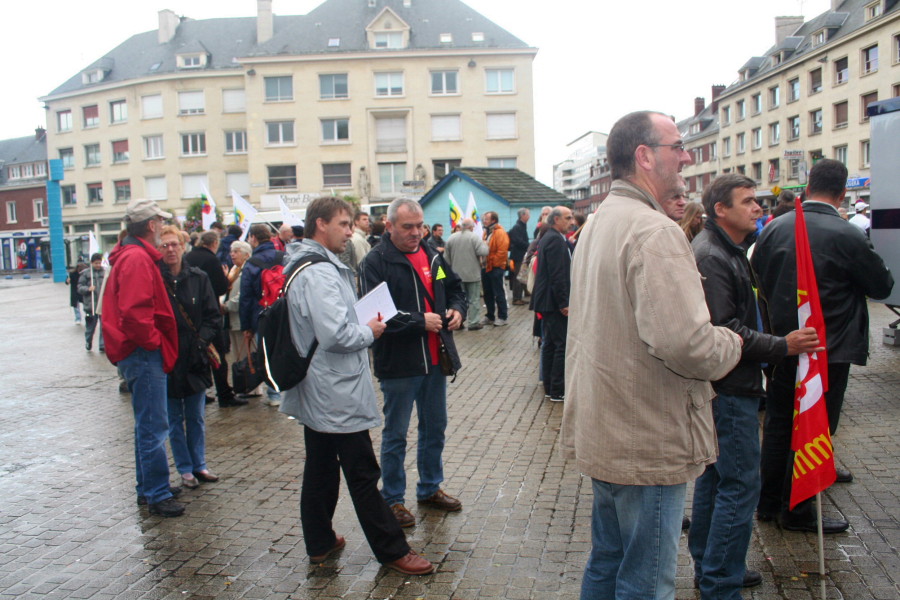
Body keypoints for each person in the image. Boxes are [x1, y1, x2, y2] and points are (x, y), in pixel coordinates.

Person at [561, 111, 743, 600]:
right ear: (644, 156)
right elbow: (687, 344)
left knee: (609, 560)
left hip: (608, 426)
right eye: (677, 146)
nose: (686, 156)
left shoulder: (600, 221)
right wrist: (735, 343)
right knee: (646, 579)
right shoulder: (654, 231)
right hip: (646, 435)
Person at [280, 196, 434, 575]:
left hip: (323, 385)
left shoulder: (313, 264)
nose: (351, 232)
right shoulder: (317, 272)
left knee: (320, 467)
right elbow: (336, 334)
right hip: (333, 389)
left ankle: (319, 541)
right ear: (320, 225)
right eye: (344, 224)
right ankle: (392, 550)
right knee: (363, 474)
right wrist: (371, 329)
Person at [689, 174, 823, 598]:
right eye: (747, 202)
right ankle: (720, 580)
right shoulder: (713, 255)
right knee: (740, 483)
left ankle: (711, 567)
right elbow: (724, 330)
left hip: (729, 383)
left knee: (717, 478)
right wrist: (782, 345)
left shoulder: (728, 249)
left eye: (756, 201)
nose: (757, 208)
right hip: (730, 387)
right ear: (720, 210)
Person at [752, 159, 894, 533]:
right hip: (829, 347)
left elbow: (759, 281)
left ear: (807, 184)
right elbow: (881, 286)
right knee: (815, 425)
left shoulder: (773, 228)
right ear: (843, 192)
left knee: (781, 423)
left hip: (783, 343)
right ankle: (796, 509)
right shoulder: (846, 233)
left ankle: (768, 502)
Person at [359, 198, 467, 529]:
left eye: (419, 225)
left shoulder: (433, 253)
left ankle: (430, 488)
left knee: (435, 428)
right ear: (388, 226)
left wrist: (458, 311)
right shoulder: (375, 262)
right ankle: (392, 499)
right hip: (400, 365)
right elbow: (375, 316)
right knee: (396, 434)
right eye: (407, 227)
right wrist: (422, 321)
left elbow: (454, 288)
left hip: (435, 361)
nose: (416, 232)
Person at [101, 199, 183, 517]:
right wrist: (154, 343)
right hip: (142, 352)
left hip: (138, 351)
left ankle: (149, 487)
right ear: (151, 225)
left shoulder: (131, 254)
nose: (162, 227)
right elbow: (135, 313)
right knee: (153, 425)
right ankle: (156, 492)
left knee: (147, 425)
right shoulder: (137, 257)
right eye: (160, 222)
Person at [158, 226, 221, 490]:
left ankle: (199, 464)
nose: (170, 250)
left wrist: (202, 342)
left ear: (183, 246)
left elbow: (212, 314)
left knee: (195, 415)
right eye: (165, 245)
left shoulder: (198, 277)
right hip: (168, 358)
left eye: (174, 244)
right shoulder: (156, 280)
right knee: (173, 418)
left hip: (195, 357)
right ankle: (184, 468)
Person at [186, 231, 242, 407]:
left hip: (190, 314)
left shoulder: (188, 257)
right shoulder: (211, 260)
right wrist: (227, 280)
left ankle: (199, 391)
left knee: (196, 353)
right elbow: (220, 287)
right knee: (218, 355)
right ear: (215, 243)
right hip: (209, 312)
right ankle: (224, 393)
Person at [531, 206, 573, 402]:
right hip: (553, 301)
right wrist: (564, 302)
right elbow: (558, 275)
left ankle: (549, 386)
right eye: (568, 218)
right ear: (556, 220)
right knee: (560, 345)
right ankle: (557, 389)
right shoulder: (555, 240)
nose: (571, 221)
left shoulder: (551, 238)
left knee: (549, 344)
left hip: (546, 300)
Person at [240, 224, 283, 407]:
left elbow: (246, 298)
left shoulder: (251, 263)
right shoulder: (283, 256)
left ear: (253, 238)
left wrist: (246, 326)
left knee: (265, 354)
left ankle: (273, 393)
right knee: (284, 348)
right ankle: (288, 388)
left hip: (261, 314)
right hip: (283, 311)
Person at [444, 218, 489, 330]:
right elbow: (483, 252)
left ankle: (458, 322)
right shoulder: (474, 237)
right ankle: (473, 323)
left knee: (459, 300)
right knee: (473, 300)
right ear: (471, 227)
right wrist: (485, 244)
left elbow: (446, 259)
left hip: (456, 276)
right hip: (472, 274)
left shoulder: (451, 238)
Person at [224, 241, 253, 392]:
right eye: (231, 251)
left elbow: (244, 295)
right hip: (232, 318)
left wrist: (228, 305)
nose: (232, 254)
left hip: (241, 316)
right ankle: (242, 384)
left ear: (246, 254)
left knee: (247, 352)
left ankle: (251, 386)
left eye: (236, 251)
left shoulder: (247, 270)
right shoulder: (234, 270)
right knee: (237, 353)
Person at [480, 211, 510, 327]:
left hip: (495, 267)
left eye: (487, 218)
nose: (484, 220)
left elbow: (502, 251)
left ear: (493, 220)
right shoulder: (486, 232)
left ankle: (502, 317)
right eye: (484, 218)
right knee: (488, 293)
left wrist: (494, 263)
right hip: (486, 266)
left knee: (498, 292)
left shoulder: (500, 233)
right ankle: (490, 315)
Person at [78, 253, 106, 352]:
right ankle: (88, 341)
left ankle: (102, 345)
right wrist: (88, 289)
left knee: (104, 327)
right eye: (96, 263)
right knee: (91, 326)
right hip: (91, 305)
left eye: (99, 263)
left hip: (103, 305)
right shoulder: (85, 274)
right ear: (92, 263)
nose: (98, 265)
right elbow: (80, 287)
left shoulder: (105, 272)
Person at [508, 208, 530, 305]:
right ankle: (516, 298)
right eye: (528, 214)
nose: (529, 216)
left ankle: (520, 296)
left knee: (521, 275)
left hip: (520, 254)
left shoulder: (522, 226)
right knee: (518, 276)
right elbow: (517, 240)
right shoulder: (517, 227)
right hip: (518, 255)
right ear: (523, 216)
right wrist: (528, 245)